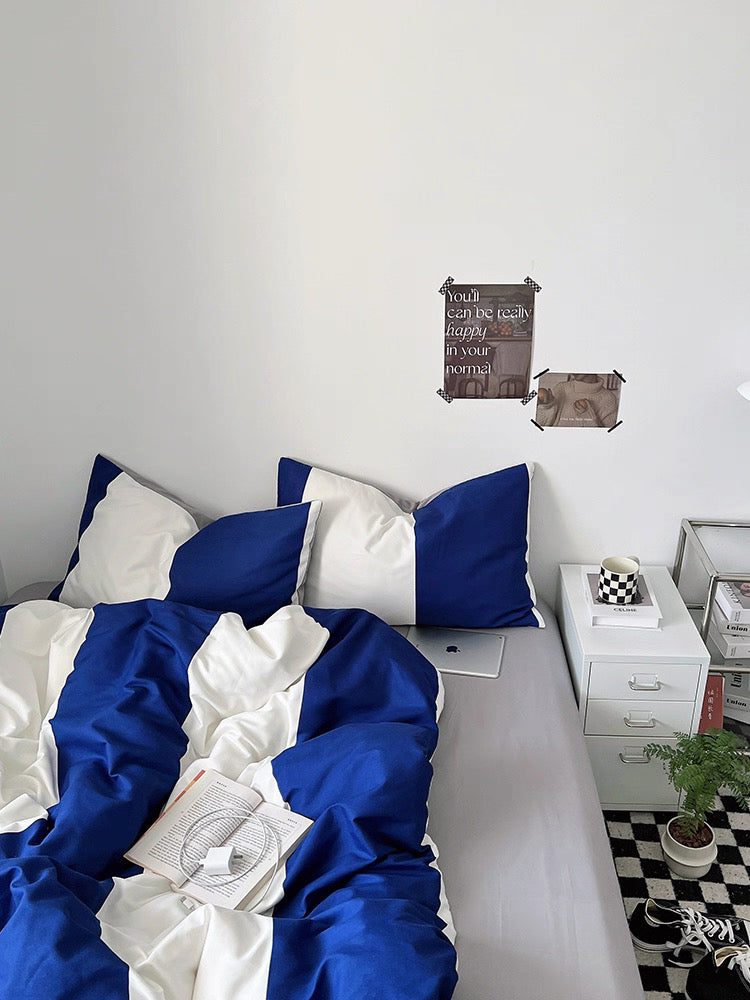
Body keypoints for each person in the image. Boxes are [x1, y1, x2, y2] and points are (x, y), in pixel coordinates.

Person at [536, 373, 619, 427]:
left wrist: (587, 415)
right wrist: (546, 407)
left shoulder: (609, 398)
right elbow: (539, 426)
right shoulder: (561, 388)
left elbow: (607, 438)